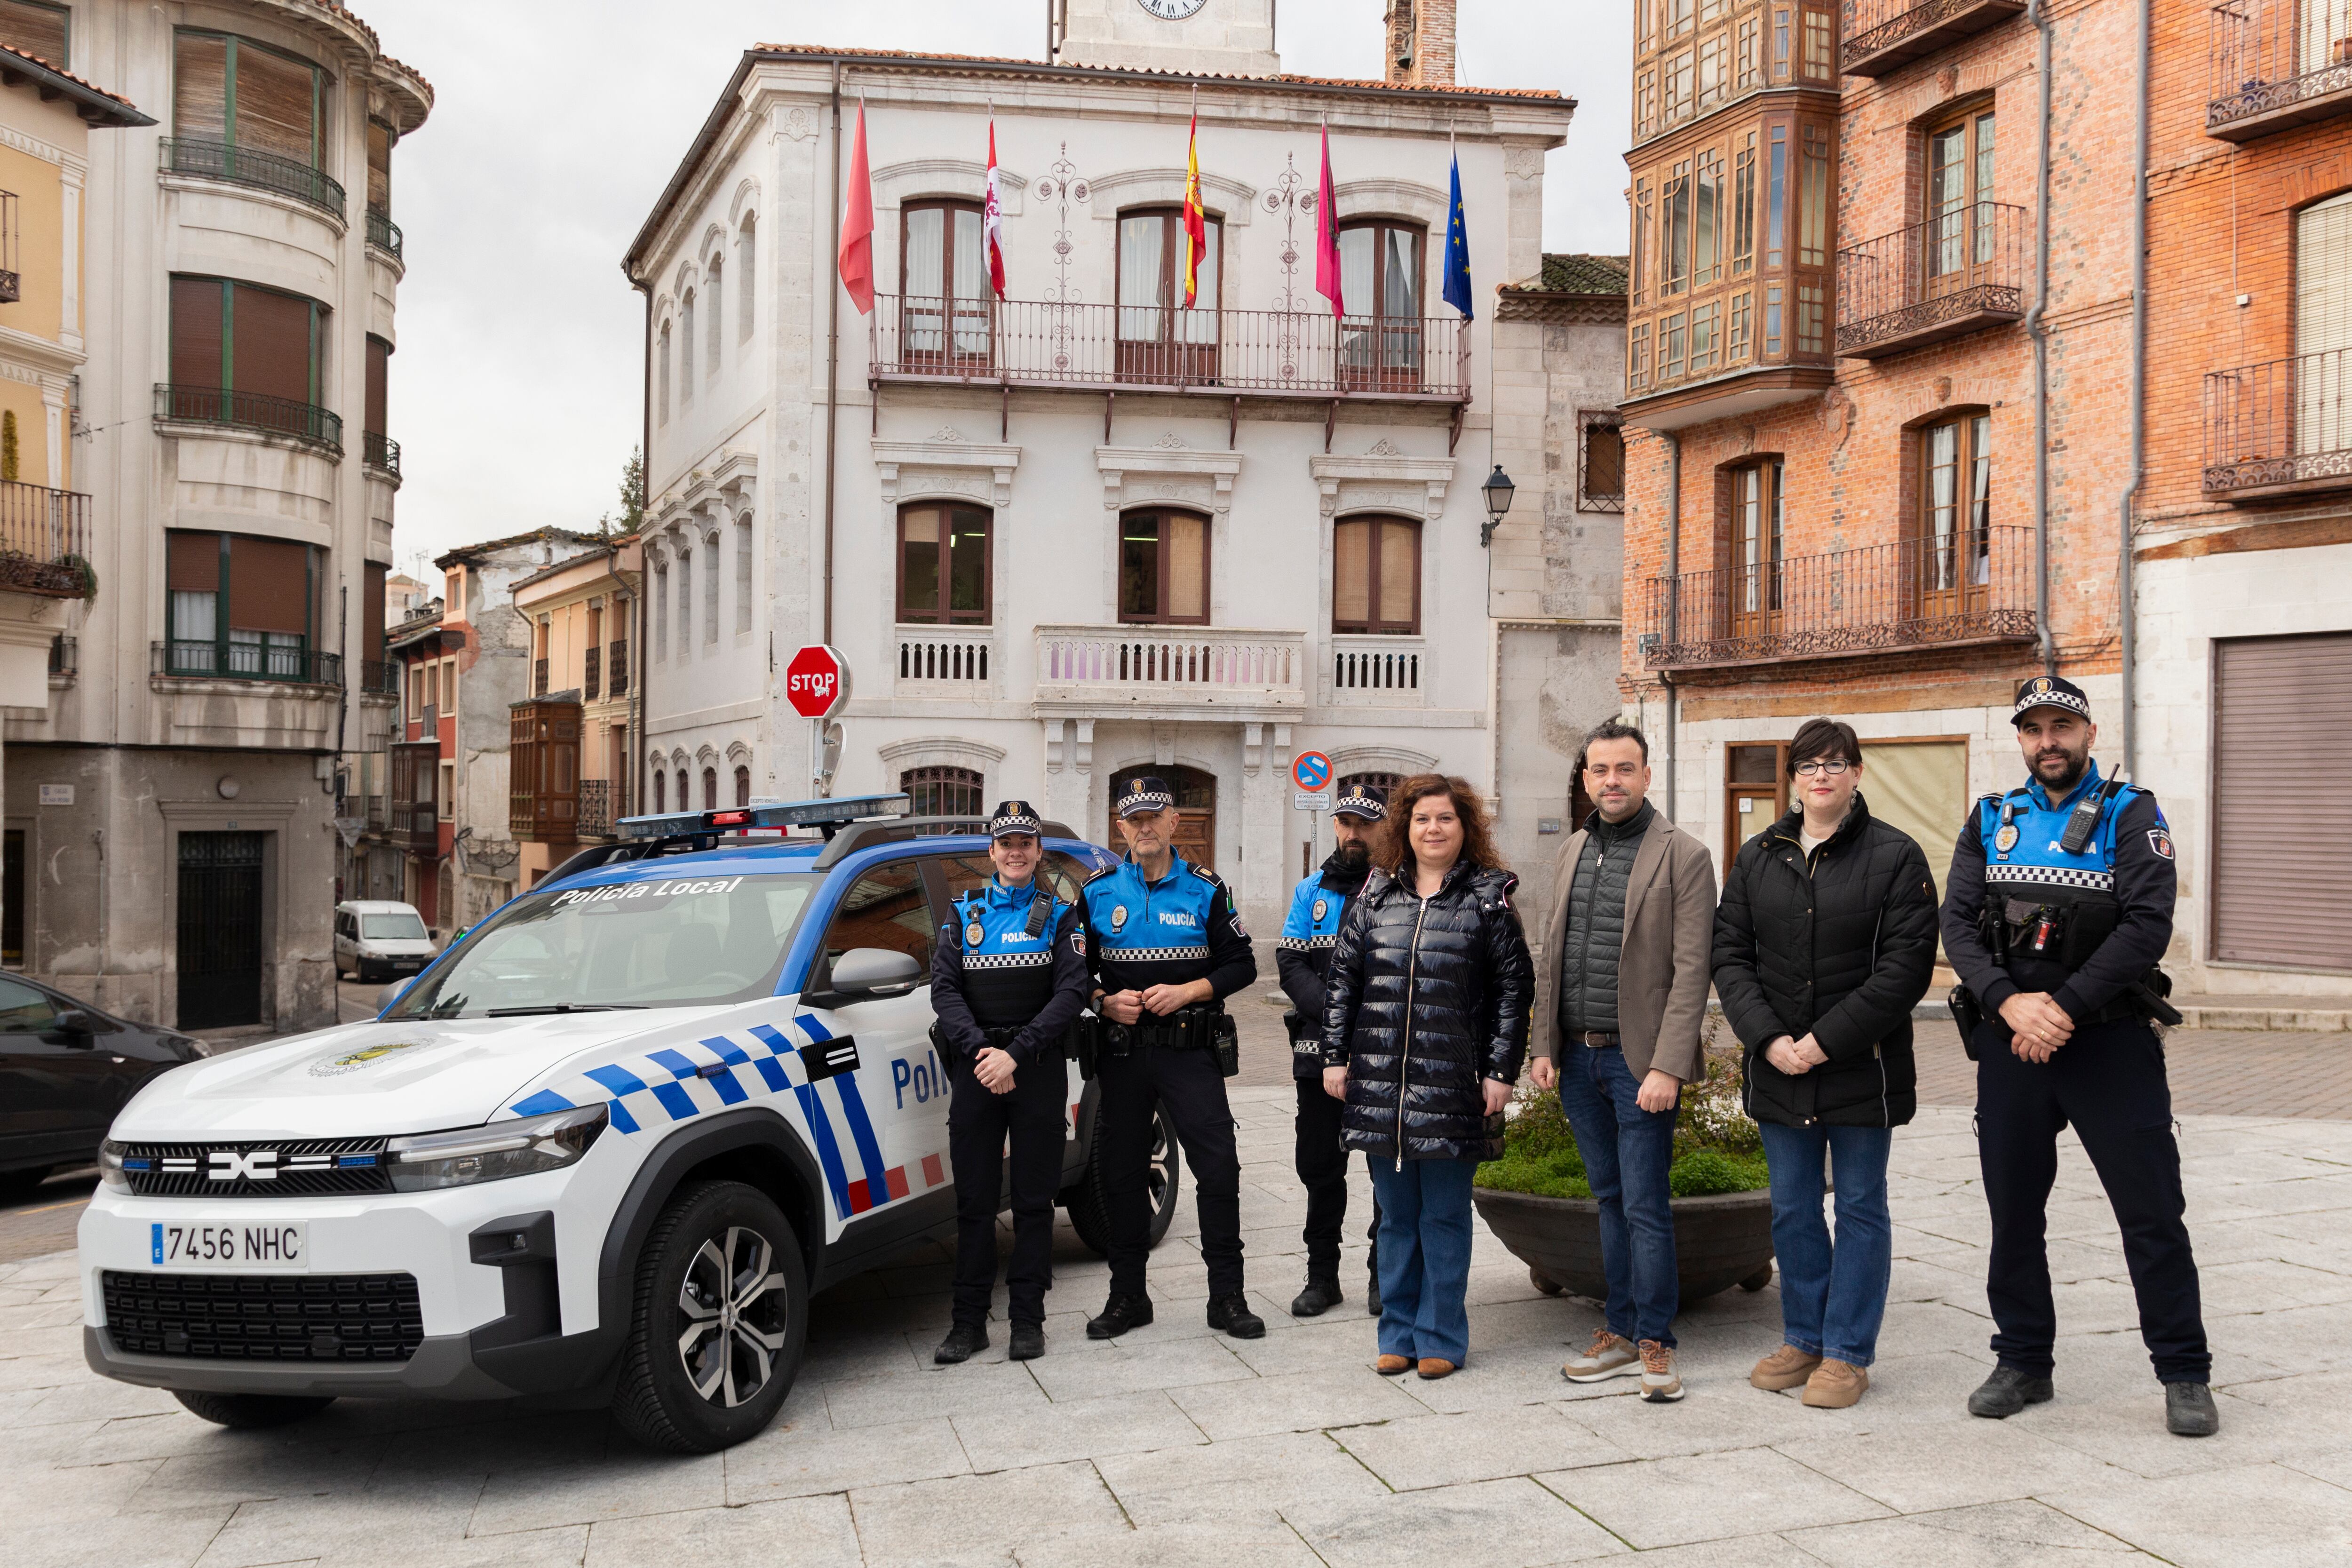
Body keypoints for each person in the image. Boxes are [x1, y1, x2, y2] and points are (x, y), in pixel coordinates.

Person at [1941, 675, 2217, 1438]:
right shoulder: (1992, 817)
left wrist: (2060, 1007)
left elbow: (2146, 925)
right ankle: (2023, 1359)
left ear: (2089, 733)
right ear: (2021, 739)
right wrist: (2007, 1000)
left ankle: (2184, 1371)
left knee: (2152, 1212)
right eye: (2033, 728)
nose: (2048, 740)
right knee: (2014, 1213)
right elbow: (1958, 924)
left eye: (2062, 725)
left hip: (2109, 1043)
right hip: (2012, 1043)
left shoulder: (2134, 814)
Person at [1711, 719, 1938, 1409]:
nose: (1822, 776)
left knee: (1863, 1207)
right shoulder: (1759, 857)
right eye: (1809, 764)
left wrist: (1824, 1042)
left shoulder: (1897, 857)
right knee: (1794, 1208)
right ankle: (1804, 1336)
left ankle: (1847, 1353)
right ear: (1793, 779)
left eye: (1837, 764)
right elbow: (1731, 954)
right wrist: (1768, 1038)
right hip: (1778, 1066)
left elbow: (1905, 970)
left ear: (1858, 774)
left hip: (1860, 1066)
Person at [1528, 720, 1716, 1403]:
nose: (1612, 780)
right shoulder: (1572, 848)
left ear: (1645, 775)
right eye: (1600, 770)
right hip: (1577, 1057)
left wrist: (1668, 1066)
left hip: (1641, 1063)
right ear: (1586, 779)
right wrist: (1543, 1046)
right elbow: (1553, 952)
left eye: (1625, 769)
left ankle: (1657, 1342)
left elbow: (1693, 970)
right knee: (1607, 1198)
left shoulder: (1684, 855)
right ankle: (1618, 1327)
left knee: (1645, 1204)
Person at [1321, 774, 1532, 1379]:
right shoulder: (1376, 897)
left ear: (1464, 828)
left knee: (1441, 1216)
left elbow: (1513, 990)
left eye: (1444, 819)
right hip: (1380, 1083)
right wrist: (1334, 1058)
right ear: (1403, 830)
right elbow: (1342, 984)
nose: (1432, 829)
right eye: (1421, 820)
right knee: (1394, 1217)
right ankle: (1398, 1331)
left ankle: (1439, 1335)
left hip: (1452, 1083)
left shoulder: (1487, 899)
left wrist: (1499, 1070)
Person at [1079, 775, 1263, 1341]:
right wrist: (1102, 1001)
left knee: (1218, 1168)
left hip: (1190, 1052)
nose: (1142, 827)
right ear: (1120, 828)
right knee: (1121, 1175)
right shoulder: (1097, 891)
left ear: (1172, 824)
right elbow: (1072, 972)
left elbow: (1243, 966)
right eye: (1132, 819)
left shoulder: (1206, 890)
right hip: (1124, 1054)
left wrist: (1189, 991)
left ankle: (1226, 1299)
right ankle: (1127, 1297)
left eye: (1152, 816)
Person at [928, 801, 1091, 1365]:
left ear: (1038, 851)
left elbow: (1070, 994)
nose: (1017, 851)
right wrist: (982, 1053)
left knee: (1033, 1202)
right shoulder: (962, 911)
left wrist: (1015, 1055)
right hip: (978, 1071)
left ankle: (1028, 1320)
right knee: (973, 1203)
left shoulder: (1059, 916)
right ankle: (967, 1323)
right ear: (991, 852)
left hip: (1036, 1069)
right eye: (1007, 843)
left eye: (1026, 842)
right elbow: (943, 990)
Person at [1276, 783, 1387, 1319]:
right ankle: (1322, 1277)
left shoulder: (1398, 889)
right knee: (1319, 1167)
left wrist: (1360, 1024)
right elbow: (1290, 962)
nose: (1353, 832)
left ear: (1382, 830)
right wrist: (1334, 1016)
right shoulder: (1309, 891)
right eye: (1345, 822)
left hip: (1382, 1051)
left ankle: (1381, 1275)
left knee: (1386, 1169)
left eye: (1364, 824)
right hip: (1319, 1050)